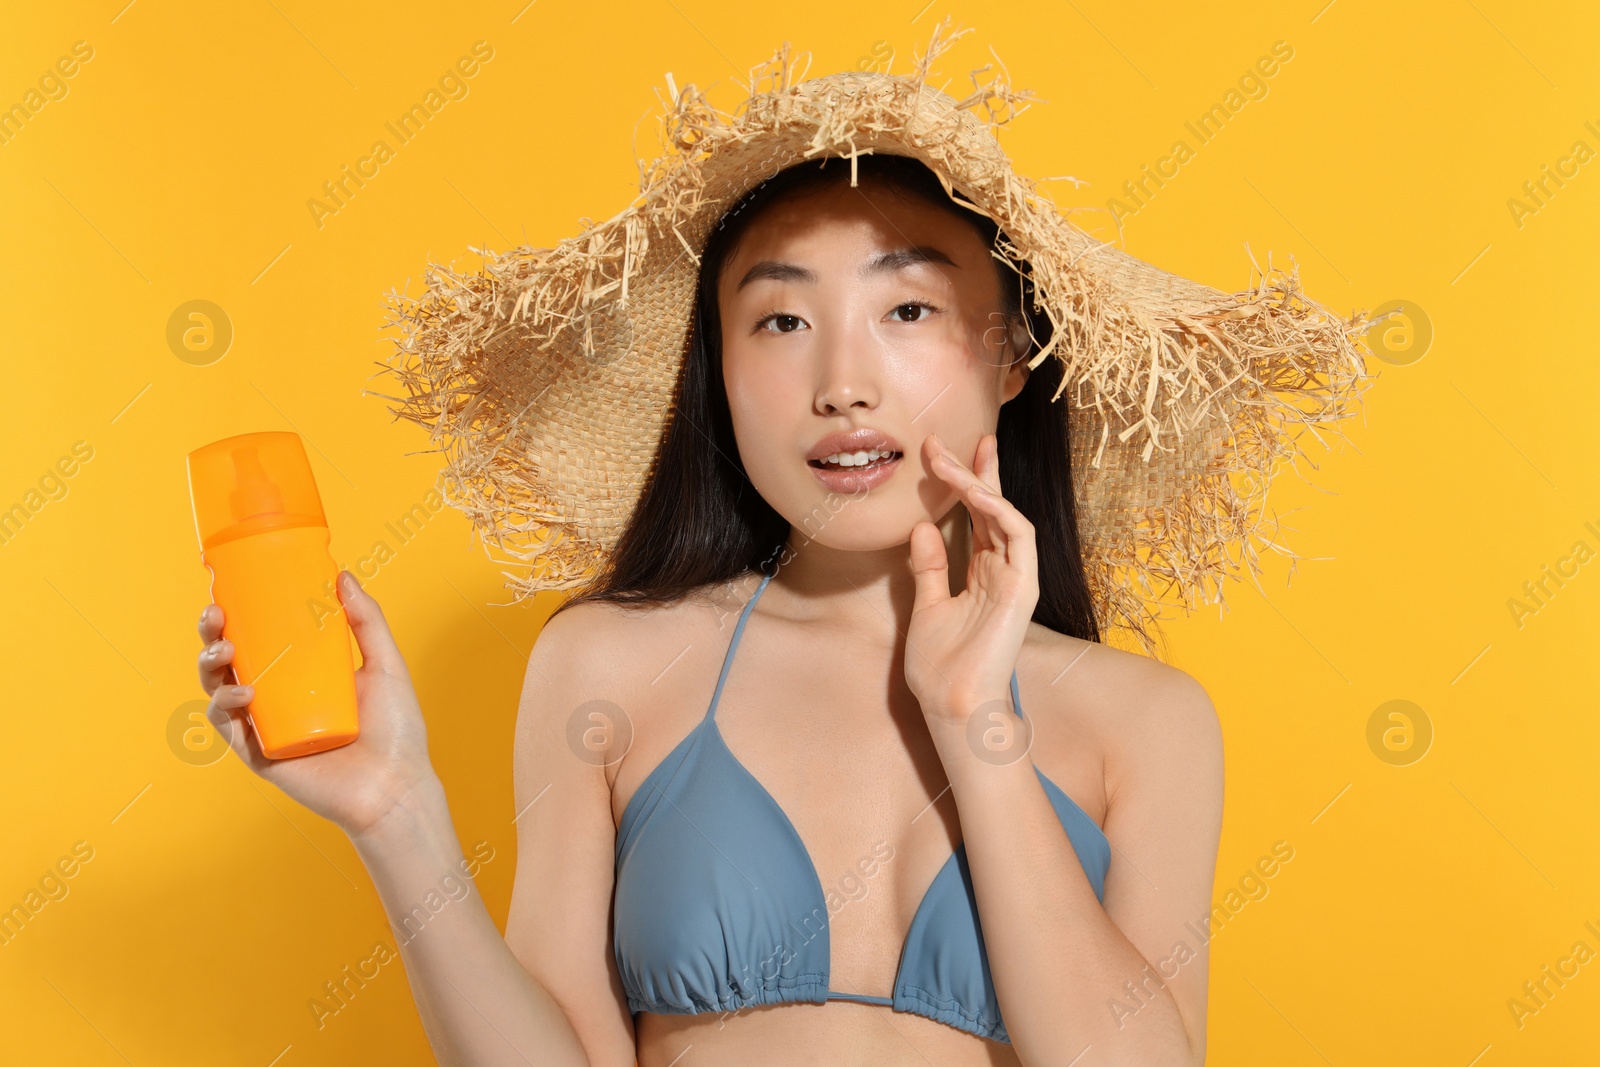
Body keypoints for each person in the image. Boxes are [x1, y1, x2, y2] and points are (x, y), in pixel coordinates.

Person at [196, 26, 1373, 1067]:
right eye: (781, 320)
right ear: (721, 369)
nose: (840, 383)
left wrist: (978, 726)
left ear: (1012, 353)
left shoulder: (1145, 721)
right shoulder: (610, 664)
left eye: (904, 309)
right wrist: (398, 813)